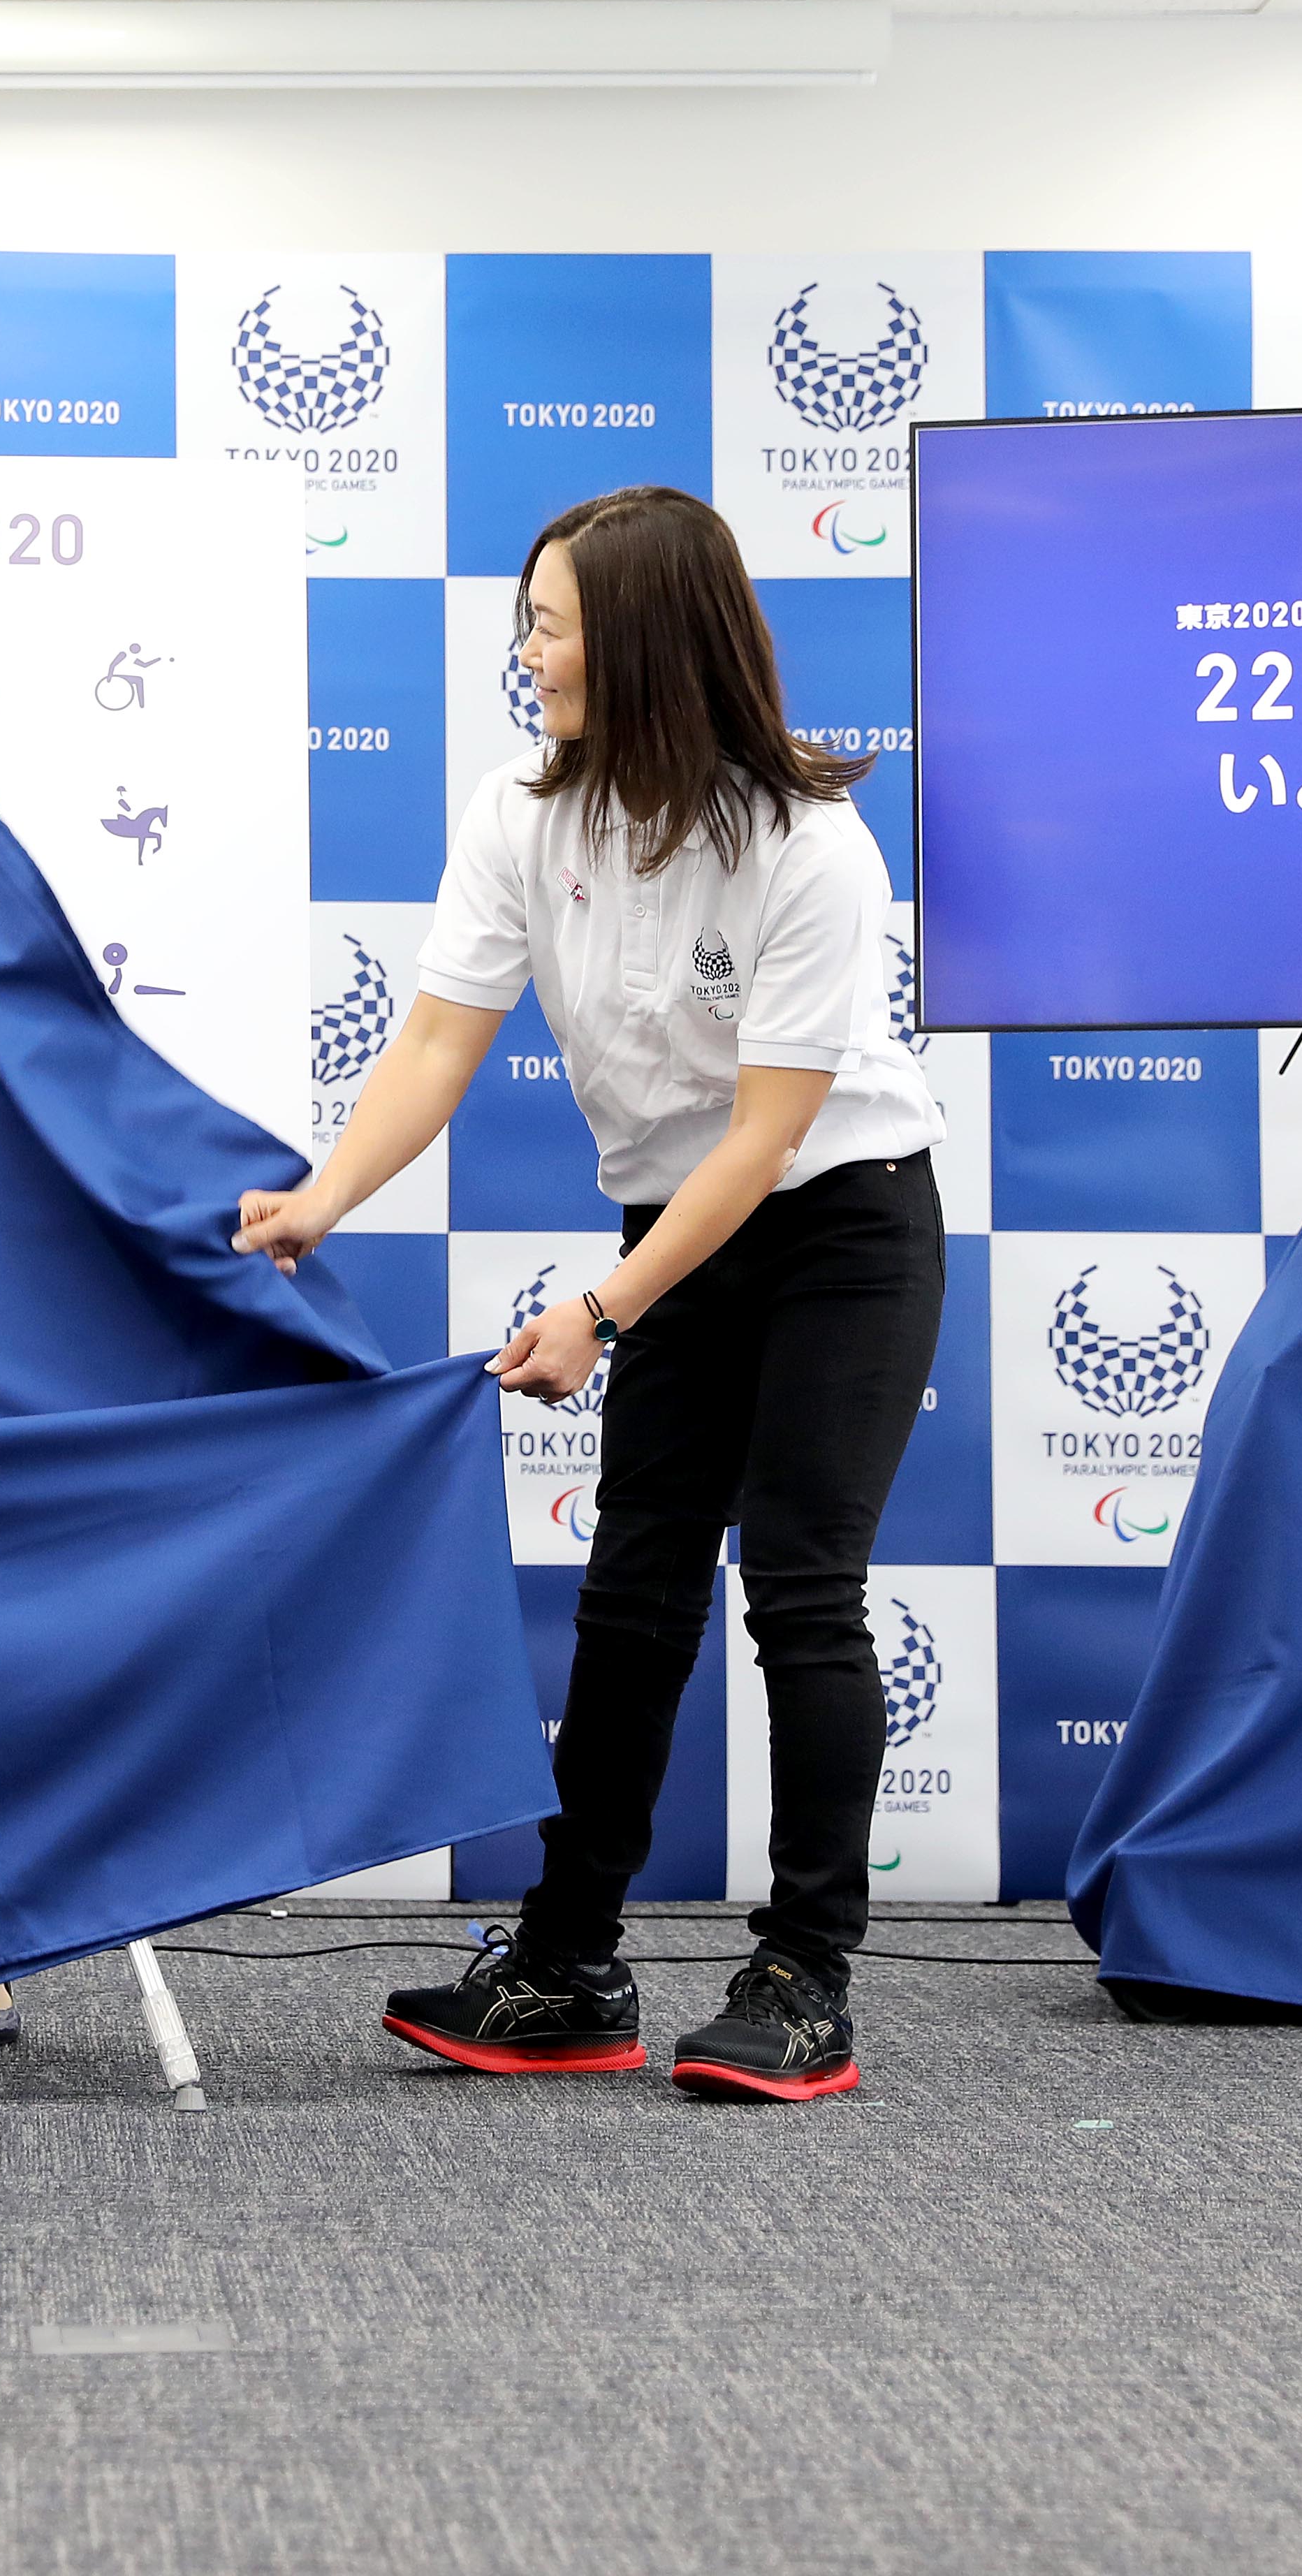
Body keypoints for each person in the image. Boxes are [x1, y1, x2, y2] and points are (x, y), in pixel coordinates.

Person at [237, 488, 945, 2100]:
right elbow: (434, 1040)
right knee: (633, 1592)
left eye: (550, 625)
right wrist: (323, 1198)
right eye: (527, 624)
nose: (529, 654)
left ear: (638, 639)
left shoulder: (810, 844)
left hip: (843, 1221)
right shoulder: (521, 812)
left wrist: (607, 1312)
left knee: (803, 1587)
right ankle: (568, 1965)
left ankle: (804, 1971)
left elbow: (770, 1133)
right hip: (671, 1220)